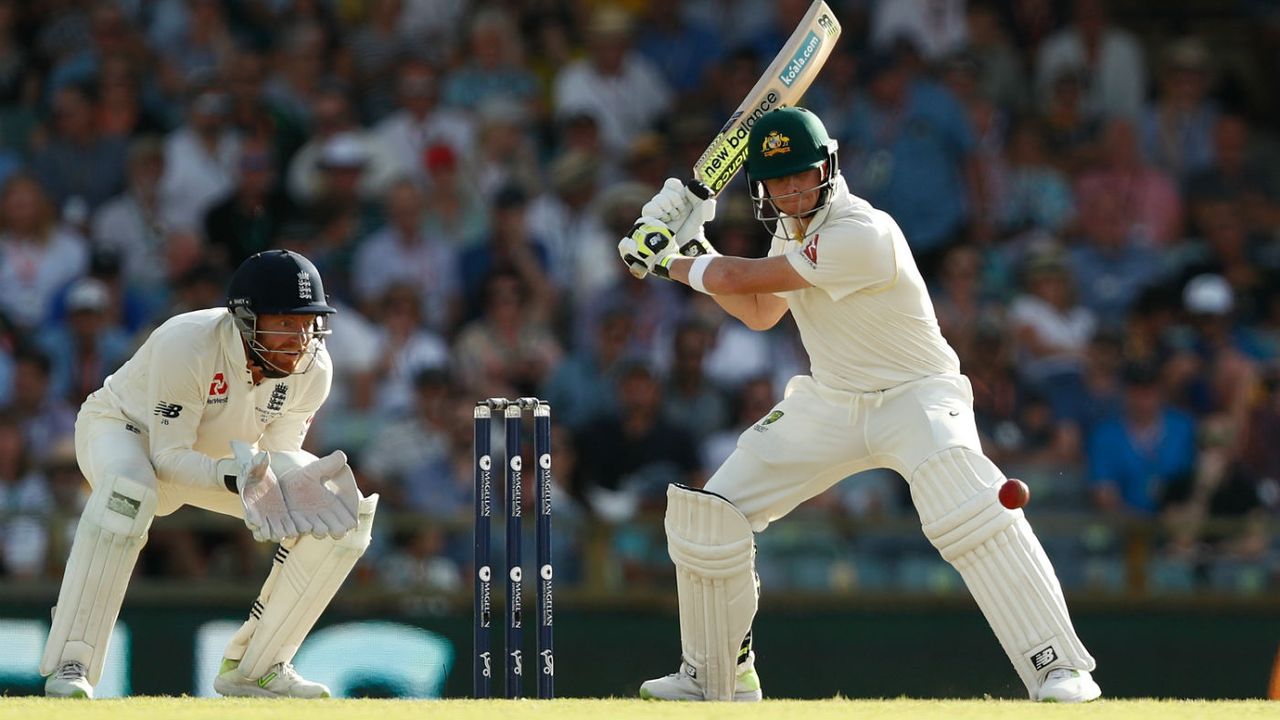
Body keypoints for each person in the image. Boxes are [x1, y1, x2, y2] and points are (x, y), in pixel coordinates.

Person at [618, 107, 1100, 702]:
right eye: (780, 179)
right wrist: (690, 244)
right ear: (762, 186)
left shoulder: (862, 232)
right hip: (830, 400)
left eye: (803, 174)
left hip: (917, 396)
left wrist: (668, 260)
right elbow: (763, 309)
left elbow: (741, 278)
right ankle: (715, 679)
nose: (794, 189)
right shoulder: (789, 229)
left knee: (967, 504)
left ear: (829, 166)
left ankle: (1057, 667)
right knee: (709, 513)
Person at [40, 249, 377, 699]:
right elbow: (167, 458)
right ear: (246, 319)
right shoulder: (189, 341)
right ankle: (70, 664)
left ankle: (256, 667)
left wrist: (288, 487)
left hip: (226, 463)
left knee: (339, 516)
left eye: (308, 324)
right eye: (284, 323)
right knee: (129, 494)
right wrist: (237, 477)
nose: (299, 340)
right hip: (127, 432)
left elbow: (279, 453)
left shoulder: (313, 369)